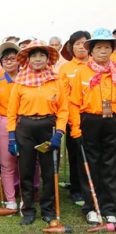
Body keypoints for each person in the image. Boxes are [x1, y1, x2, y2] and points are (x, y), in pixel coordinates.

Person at [7, 40, 68, 225]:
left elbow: (63, 110)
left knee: (49, 172)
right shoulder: (20, 82)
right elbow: (11, 112)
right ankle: (27, 210)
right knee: (26, 170)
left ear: (48, 59)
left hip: (47, 129)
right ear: (28, 59)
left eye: (42, 55)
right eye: (34, 55)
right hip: (25, 129)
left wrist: (59, 134)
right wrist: (11, 137)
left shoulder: (56, 81)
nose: (38, 59)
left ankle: (48, 210)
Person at [69, 28, 116, 224]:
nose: (103, 51)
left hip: (112, 120)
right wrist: (76, 128)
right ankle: (91, 207)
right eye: (99, 47)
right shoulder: (81, 72)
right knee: (90, 164)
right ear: (91, 51)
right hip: (89, 121)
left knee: (110, 165)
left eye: (107, 47)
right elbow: (73, 103)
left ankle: (109, 207)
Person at [58, 31, 91, 206]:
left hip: (95, 118)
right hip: (73, 119)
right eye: (77, 43)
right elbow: (64, 97)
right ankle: (77, 189)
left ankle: (95, 188)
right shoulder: (66, 68)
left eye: (84, 43)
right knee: (76, 155)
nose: (81, 46)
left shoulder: (97, 65)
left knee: (95, 155)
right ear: (71, 47)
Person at [0, 42, 20, 210]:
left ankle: (28, 194)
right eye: (5, 59)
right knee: (7, 162)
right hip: (3, 123)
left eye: (13, 58)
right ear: (1, 63)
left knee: (28, 162)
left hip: (25, 122)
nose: (9, 62)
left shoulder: (27, 79)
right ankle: (11, 200)